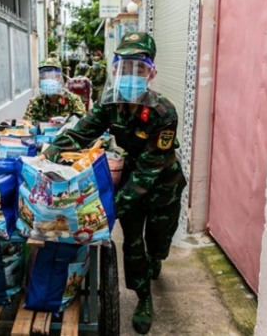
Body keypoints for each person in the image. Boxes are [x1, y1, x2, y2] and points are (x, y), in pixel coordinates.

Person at [39, 32, 186, 334]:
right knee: (133, 242)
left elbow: (151, 167)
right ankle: (143, 296)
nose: (131, 75)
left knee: (158, 242)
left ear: (151, 73)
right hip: (133, 171)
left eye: (139, 69)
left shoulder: (163, 112)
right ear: (115, 70)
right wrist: (52, 151)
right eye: (125, 68)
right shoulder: (110, 105)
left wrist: (114, 205)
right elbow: (82, 131)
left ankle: (156, 259)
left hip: (163, 182)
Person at [23, 58, 87, 123]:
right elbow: (26, 125)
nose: (48, 80)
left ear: (60, 78)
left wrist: (69, 121)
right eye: (44, 77)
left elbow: (83, 122)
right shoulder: (36, 103)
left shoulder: (73, 100)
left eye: (53, 76)